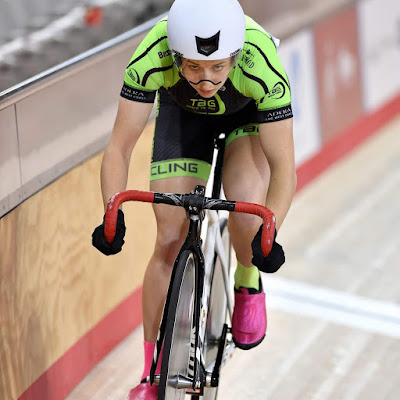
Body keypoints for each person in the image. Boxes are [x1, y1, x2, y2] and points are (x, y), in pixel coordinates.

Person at [92, 0, 296, 398]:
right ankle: (151, 373)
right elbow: (119, 147)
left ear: (236, 54)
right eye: (193, 67)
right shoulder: (152, 53)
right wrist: (111, 214)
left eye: (218, 66)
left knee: (247, 213)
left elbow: (284, 168)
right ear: (174, 55)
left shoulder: (260, 62)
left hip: (246, 117)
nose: (206, 80)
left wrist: (269, 236)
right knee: (169, 238)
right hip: (182, 115)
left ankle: (246, 278)